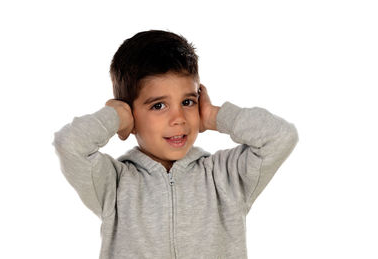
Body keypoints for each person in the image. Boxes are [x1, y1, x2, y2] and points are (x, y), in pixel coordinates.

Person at [52, 29, 299, 259]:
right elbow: (70, 144)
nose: (178, 118)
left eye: (188, 102)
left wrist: (215, 116)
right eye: (158, 105)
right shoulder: (114, 184)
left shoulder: (225, 176)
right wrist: (116, 117)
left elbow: (280, 137)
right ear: (132, 115)